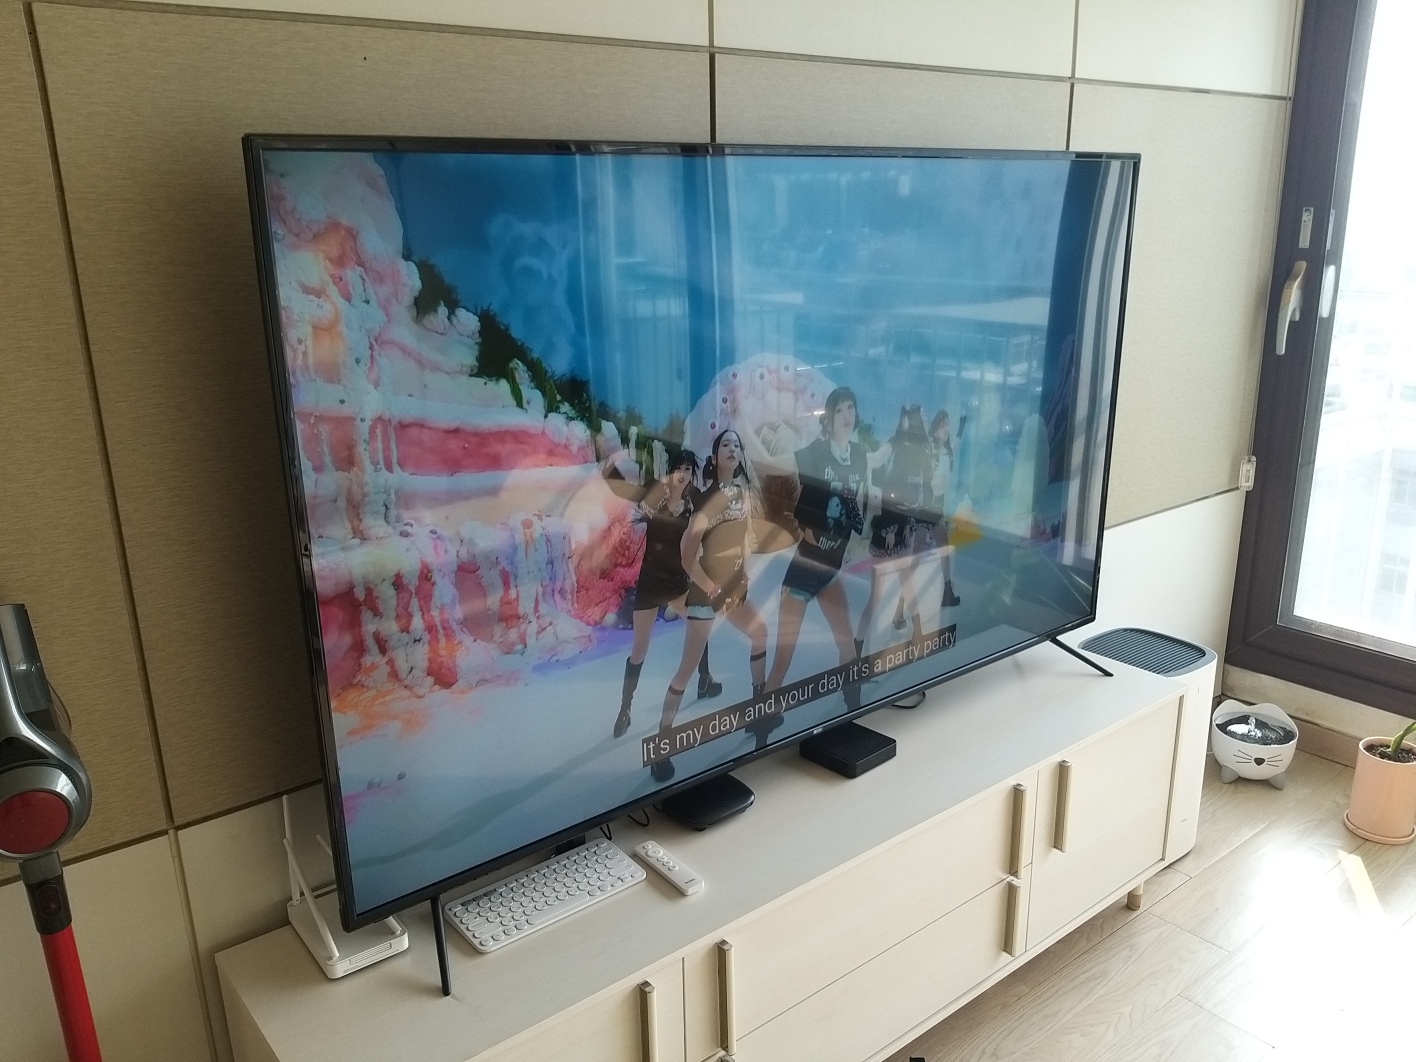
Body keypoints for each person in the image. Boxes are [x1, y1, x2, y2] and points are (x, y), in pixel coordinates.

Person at [651, 429, 770, 781]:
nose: (733, 448)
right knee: (686, 670)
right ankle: (661, 747)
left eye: (737, 444)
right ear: (715, 457)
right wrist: (710, 587)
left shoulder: (741, 494)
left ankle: (757, 715)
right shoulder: (706, 499)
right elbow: (687, 555)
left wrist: (743, 575)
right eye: (725, 444)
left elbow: (743, 538)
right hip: (706, 594)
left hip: (732, 590)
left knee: (760, 635)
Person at [612, 448, 722, 739]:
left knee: (699, 626)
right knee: (639, 651)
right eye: (678, 468)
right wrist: (609, 467)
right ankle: (625, 710)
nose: (683, 474)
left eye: (688, 469)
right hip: (650, 584)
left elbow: (716, 499)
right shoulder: (656, 493)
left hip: (677, 583)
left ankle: (705, 679)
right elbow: (624, 489)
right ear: (671, 471)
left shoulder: (695, 501)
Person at [767, 387, 866, 708]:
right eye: (839, 410)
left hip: (830, 570)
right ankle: (763, 721)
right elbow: (773, 464)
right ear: (829, 419)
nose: (847, 415)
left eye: (851, 408)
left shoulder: (859, 456)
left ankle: (854, 709)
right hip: (804, 571)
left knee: (846, 643)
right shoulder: (815, 453)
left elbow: (859, 501)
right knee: (782, 660)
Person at [855, 405, 938, 652]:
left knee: (905, 586)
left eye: (920, 416)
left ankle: (916, 633)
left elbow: (924, 490)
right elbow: (878, 460)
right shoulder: (898, 444)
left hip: (902, 526)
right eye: (916, 416)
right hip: (889, 526)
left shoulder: (923, 450)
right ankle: (857, 647)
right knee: (880, 594)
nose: (920, 419)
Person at [929, 409, 962, 608]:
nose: (946, 428)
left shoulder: (946, 452)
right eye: (943, 425)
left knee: (944, 550)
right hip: (927, 510)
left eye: (948, 424)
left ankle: (947, 592)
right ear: (935, 429)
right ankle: (899, 609)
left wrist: (962, 426)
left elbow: (955, 443)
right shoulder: (931, 452)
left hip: (936, 510)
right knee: (913, 559)